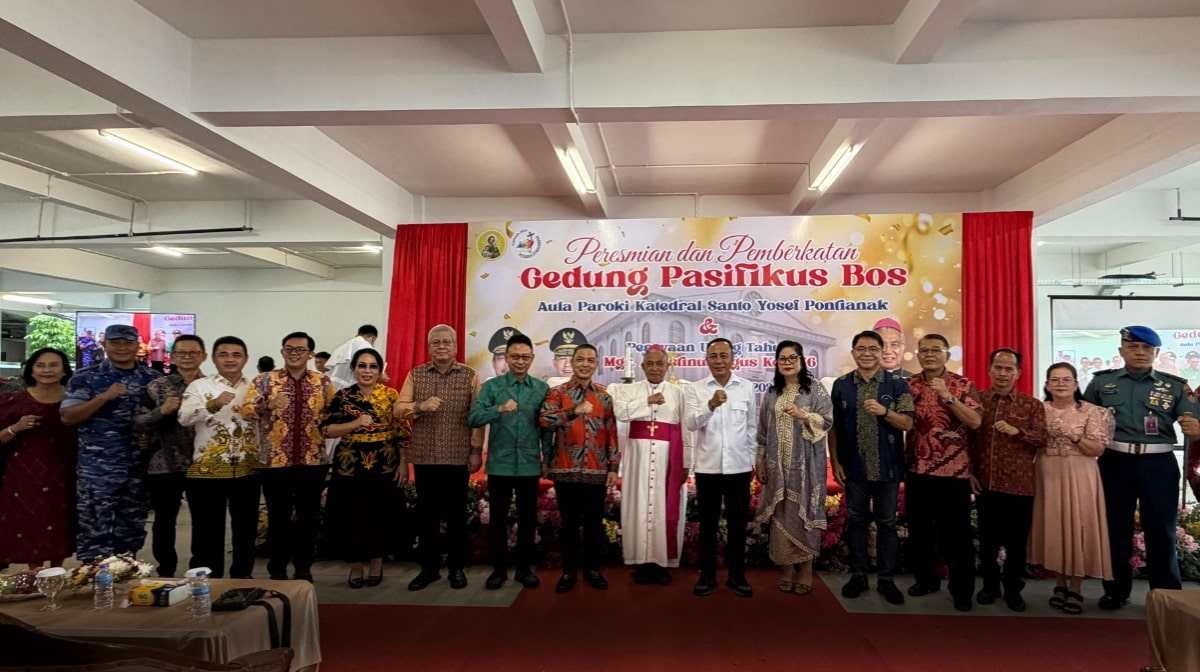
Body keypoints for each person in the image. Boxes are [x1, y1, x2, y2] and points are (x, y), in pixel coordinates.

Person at [1084, 326, 1200, 610]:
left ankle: (1166, 596)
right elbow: (1085, 419)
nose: (1140, 353)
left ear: (1156, 353)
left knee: (1162, 530)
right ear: (1121, 350)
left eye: (1147, 348)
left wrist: (1194, 429)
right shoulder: (1101, 384)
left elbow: (1194, 426)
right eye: (1133, 347)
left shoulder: (1174, 386)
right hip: (1115, 463)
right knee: (1115, 529)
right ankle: (1116, 591)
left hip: (1158, 464)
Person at [60, 324, 161, 562]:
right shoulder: (86, 377)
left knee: (131, 530)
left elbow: (165, 419)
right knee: (94, 528)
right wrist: (103, 397)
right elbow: (68, 417)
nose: (122, 348)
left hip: (138, 467)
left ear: (138, 346)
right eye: (116, 342)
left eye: (128, 343)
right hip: (98, 469)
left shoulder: (153, 379)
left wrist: (152, 433)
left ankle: (125, 574)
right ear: (104, 345)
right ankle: (92, 582)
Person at [829, 330, 914, 605]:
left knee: (887, 523)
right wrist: (836, 460)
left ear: (881, 352)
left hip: (888, 468)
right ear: (853, 353)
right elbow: (833, 428)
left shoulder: (897, 385)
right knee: (856, 521)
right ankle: (858, 575)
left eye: (872, 349)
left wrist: (884, 412)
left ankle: (886, 580)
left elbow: (908, 423)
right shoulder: (841, 385)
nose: (867, 354)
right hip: (853, 469)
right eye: (861, 349)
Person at [396, 324, 484, 591]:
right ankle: (429, 569)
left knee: (457, 518)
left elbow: (477, 418)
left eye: (447, 342)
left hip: (458, 458)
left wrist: (476, 451)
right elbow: (397, 409)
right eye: (436, 343)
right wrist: (419, 406)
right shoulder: (416, 374)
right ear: (429, 347)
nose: (442, 346)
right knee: (427, 518)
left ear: (456, 347)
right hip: (425, 457)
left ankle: (457, 569)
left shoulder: (469, 375)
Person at [243, 332, 335, 582]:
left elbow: (333, 414)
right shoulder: (264, 381)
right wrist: (267, 405)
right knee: (278, 518)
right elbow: (247, 410)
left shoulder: (323, 383)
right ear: (282, 351)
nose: (294, 354)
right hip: (275, 462)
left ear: (310, 354)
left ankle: (304, 567)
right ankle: (278, 567)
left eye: (300, 350)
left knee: (309, 518)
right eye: (289, 349)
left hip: (313, 461)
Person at [904, 333, 982, 612]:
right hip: (917, 469)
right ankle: (926, 580)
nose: (929, 355)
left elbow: (974, 422)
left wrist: (947, 397)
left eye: (935, 350)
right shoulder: (909, 385)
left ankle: (962, 590)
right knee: (921, 532)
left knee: (957, 534)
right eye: (924, 350)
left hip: (953, 472)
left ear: (947, 355)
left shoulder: (962, 385)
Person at [1031, 362, 1115, 614]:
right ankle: (1059, 583)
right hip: (1046, 470)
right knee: (1054, 527)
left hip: (1080, 472)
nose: (1060, 384)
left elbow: (1097, 449)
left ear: (1076, 384)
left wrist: (1074, 435)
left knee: (1079, 526)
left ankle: (1076, 587)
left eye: (1066, 380)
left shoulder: (1092, 412)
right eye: (1054, 380)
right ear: (1046, 384)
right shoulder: (1038, 410)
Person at [469, 333, 551, 590]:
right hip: (500, 464)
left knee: (528, 518)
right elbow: (474, 417)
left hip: (528, 464)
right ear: (506, 358)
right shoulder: (493, 387)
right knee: (498, 519)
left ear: (532, 358)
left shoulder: (541, 389)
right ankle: (499, 569)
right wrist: (499, 410)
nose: (519, 361)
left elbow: (547, 429)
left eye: (525, 357)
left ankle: (524, 569)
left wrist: (546, 459)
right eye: (514, 356)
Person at [321, 348, 407, 588]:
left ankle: (377, 563)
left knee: (381, 513)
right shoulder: (342, 396)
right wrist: (355, 423)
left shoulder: (391, 395)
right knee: (352, 514)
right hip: (350, 463)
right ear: (354, 369)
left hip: (385, 463)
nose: (367, 371)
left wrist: (403, 462)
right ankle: (356, 565)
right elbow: (326, 430)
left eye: (372, 366)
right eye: (362, 366)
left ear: (380, 371)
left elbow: (402, 432)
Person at [753, 340, 833, 597]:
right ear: (776, 363)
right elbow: (763, 431)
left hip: (806, 465)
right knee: (781, 513)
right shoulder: (772, 393)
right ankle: (786, 568)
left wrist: (804, 416)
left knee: (804, 512)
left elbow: (828, 421)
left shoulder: (815, 389)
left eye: (792, 357)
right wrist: (761, 460)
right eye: (782, 358)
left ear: (801, 361)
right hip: (778, 467)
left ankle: (806, 569)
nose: (787, 362)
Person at [177, 336, 260, 579]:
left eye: (236, 354)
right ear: (213, 359)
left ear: (245, 358)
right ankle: (206, 583)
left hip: (247, 469)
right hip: (207, 470)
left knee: (245, 531)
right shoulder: (200, 387)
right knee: (206, 532)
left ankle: (242, 579)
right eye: (223, 354)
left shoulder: (255, 387)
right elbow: (184, 418)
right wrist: (212, 405)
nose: (230, 359)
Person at [972, 348, 1047, 612]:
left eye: (1009, 369)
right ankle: (990, 586)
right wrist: (970, 473)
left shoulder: (1031, 405)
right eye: (998, 368)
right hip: (986, 484)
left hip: (1020, 487)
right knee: (988, 541)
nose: (1003, 373)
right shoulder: (978, 401)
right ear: (989, 369)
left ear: (1018, 373)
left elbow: (1042, 439)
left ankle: (1014, 589)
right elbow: (969, 441)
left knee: (1016, 543)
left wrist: (1017, 432)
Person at [540, 343, 619, 593]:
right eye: (580, 359)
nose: (585, 364)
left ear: (596, 365)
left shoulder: (604, 396)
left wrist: (613, 467)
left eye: (590, 360)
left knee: (595, 523)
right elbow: (544, 419)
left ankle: (593, 569)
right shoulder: (558, 392)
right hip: (566, 468)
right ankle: (569, 571)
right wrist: (573, 411)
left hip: (597, 469)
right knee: (570, 523)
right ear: (573, 363)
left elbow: (612, 433)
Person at [611, 345, 691, 586]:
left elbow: (686, 429)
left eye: (660, 364)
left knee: (662, 508)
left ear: (667, 367)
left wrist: (687, 461)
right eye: (650, 364)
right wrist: (647, 401)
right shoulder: (628, 390)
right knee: (638, 506)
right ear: (643, 366)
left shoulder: (679, 393)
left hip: (669, 458)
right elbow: (621, 413)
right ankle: (642, 561)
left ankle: (661, 562)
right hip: (638, 457)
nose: (655, 368)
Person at [685, 338, 758, 598]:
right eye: (713, 356)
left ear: (732, 359)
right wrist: (711, 405)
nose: (718, 361)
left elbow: (751, 428)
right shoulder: (696, 389)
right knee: (708, 524)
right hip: (708, 469)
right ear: (706, 360)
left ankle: (737, 575)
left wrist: (753, 461)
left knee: (738, 525)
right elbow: (692, 424)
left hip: (739, 467)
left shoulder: (747, 387)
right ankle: (707, 574)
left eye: (723, 355)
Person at [133, 334, 207, 577]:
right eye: (181, 353)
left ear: (203, 357)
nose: (187, 357)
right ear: (172, 356)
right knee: (165, 521)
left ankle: (199, 570)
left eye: (193, 353)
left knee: (203, 520)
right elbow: (137, 420)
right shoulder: (156, 386)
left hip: (203, 464)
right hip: (164, 463)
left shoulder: (211, 387)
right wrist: (161, 412)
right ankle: (166, 570)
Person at [0, 348, 77, 569]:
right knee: (33, 518)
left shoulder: (75, 400)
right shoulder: (15, 400)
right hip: (26, 471)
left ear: (64, 370)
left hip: (66, 469)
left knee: (61, 518)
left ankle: (55, 573)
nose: (47, 370)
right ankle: (35, 575)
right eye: (41, 365)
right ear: (31, 371)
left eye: (54, 365)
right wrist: (16, 427)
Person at [327, 325, 379, 391]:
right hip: (347, 388)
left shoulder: (344, 346)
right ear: (373, 338)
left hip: (332, 385)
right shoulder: (365, 345)